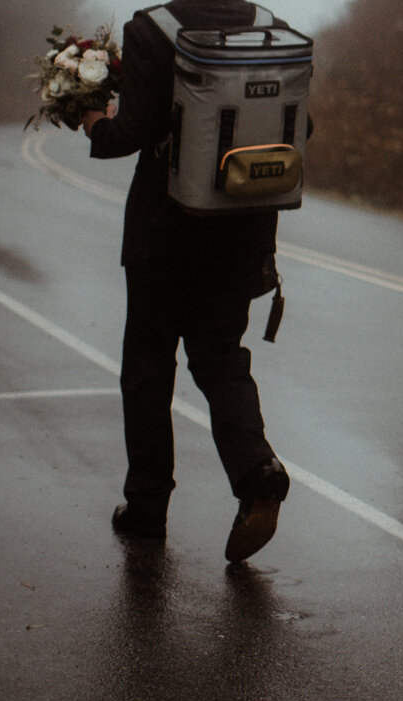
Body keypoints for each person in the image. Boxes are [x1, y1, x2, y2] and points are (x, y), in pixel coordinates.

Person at [79, 0, 292, 562]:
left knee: (148, 366)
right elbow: (301, 125)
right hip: (243, 227)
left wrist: (93, 120)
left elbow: (132, 131)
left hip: (164, 229)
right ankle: (258, 472)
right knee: (220, 357)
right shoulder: (271, 29)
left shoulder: (152, 29)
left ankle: (147, 510)